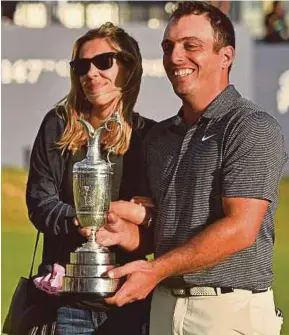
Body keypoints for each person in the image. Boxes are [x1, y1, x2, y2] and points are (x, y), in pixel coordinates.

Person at [96, 2, 288, 335]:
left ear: (226, 56)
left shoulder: (251, 126)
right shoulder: (160, 138)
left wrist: (156, 270)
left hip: (228, 310)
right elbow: (170, 226)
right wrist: (128, 234)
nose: (175, 57)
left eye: (191, 46)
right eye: (168, 47)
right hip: (164, 307)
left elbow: (240, 229)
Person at [26, 22, 156, 334]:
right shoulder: (57, 127)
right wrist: (82, 219)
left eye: (103, 62)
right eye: (82, 66)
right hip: (68, 305)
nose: (91, 74)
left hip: (130, 303)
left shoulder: (149, 136)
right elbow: (40, 203)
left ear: (129, 68)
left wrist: (139, 216)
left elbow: (161, 220)